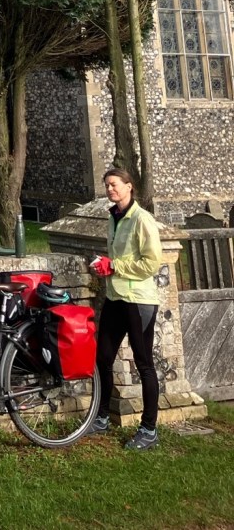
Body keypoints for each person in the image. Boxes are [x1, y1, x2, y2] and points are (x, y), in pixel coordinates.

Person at [89, 165, 163, 450]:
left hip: (139, 301)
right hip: (115, 297)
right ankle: (102, 417)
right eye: (107, 185)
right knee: (103, 358)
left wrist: (115, 266)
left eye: (115, 184)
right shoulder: (114, 217)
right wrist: (104, 268)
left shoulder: (142, 219)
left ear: (129, 186)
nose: (110, 189)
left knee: (144, 364)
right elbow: (116, 258)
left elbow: (151, 263)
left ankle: (149, 429)